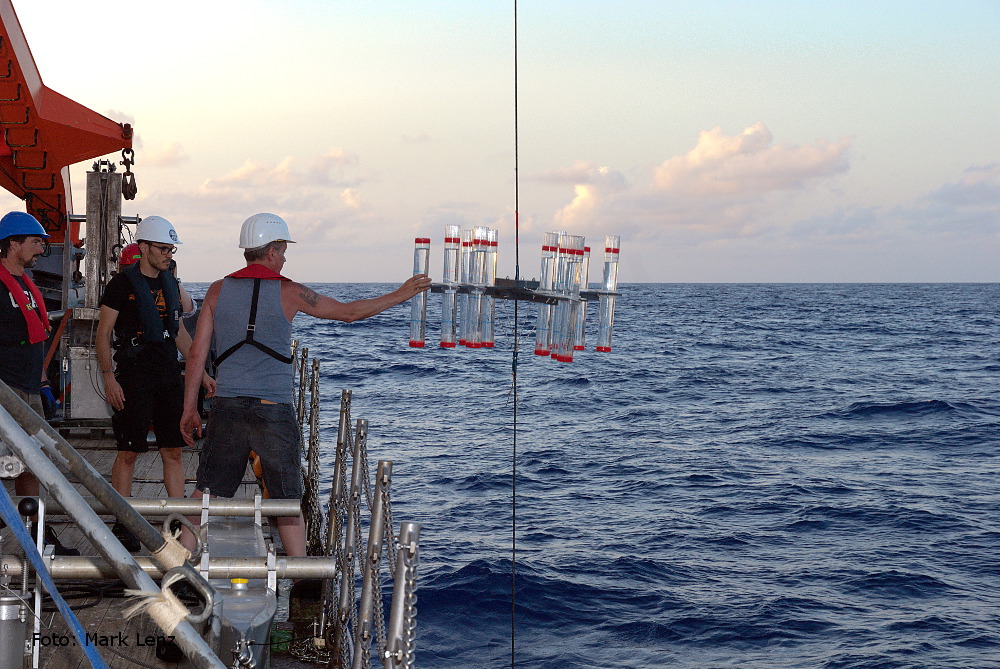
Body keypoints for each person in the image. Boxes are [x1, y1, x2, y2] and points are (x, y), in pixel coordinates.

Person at [179, 213, 430, 557]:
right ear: (271, 251)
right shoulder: (291, 292)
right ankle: (301, 574)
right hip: (273, 411)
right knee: (286, 501)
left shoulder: (217, 291)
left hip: (228, 406)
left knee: (205, 494)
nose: (285, 258)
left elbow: (196, 355)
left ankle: (175, 561)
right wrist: (401, 294)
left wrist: (189, 407)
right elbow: (349, 313)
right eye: (283, 251)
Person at [96, 215, 215, 551]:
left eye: (171, 249)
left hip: (166, 374)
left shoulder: (170, 285)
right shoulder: (121, 285)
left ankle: (176, 518)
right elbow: (103, 335)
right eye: (163, 248)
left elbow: (179, 332)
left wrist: (202, 372)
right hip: (133, 375)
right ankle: (124, 519)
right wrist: (108, 377)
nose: (168, 255)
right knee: (129, 451)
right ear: (143, 247)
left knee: (173, 449)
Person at [0, 211, 79, 555]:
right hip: (6, 390)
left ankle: (37, 533)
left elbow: (35, 339)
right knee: (5, 465)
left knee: (32, 464)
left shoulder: (24, 285)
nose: (40, 249)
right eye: (35, 242)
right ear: (12, 244)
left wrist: (45, 383)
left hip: (29, 387)